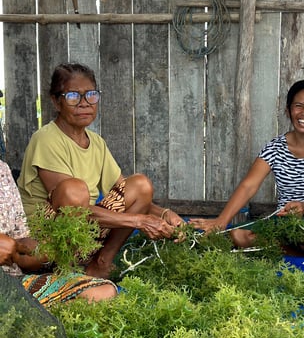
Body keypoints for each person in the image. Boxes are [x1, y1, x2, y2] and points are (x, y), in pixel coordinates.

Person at [18, 63, 183, 279]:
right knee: (74, 189)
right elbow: (71, 208)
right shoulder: (46, 139)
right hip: (45, 241)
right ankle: (64, 271)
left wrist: (163, 214)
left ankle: (101, 264)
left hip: (83, 235)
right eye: (73, 96)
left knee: (140, 185)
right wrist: (139, 221)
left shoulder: (96, 143)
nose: (84, 104)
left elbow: (128, 194)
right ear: (56, 101)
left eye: (91, 95)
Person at [190, 78, 304, 252]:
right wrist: (221, 222)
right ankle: (296, 248)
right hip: (285, 221)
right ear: (288, 111)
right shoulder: (275, 147)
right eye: (298, 106)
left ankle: (295, 245)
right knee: (238, 235)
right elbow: (248, 186)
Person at [0, 159, 118, 307]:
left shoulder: (2, 170)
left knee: (103, 292)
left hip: (14, 281)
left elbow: (20, 249)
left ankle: (33, 315)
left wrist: (43, 251)